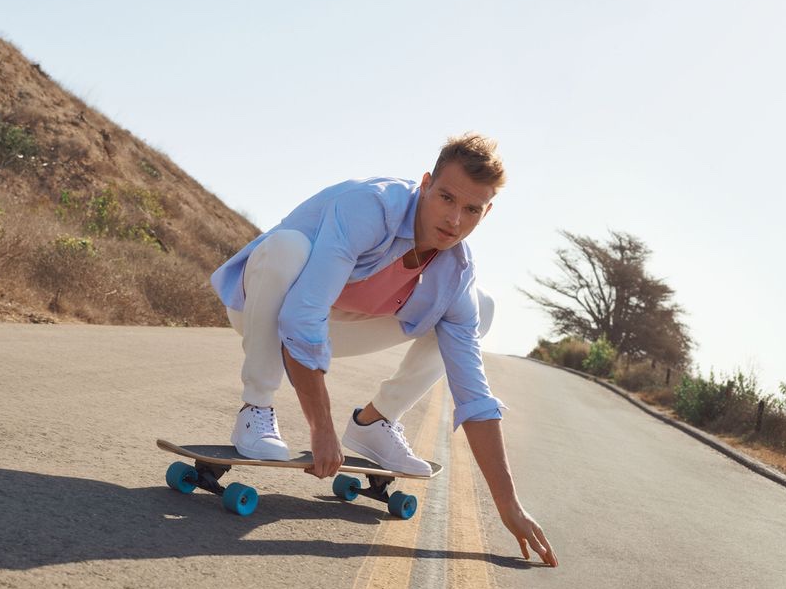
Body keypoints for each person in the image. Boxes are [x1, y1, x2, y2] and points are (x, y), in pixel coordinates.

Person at [211, 133, 558, 567]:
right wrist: (321, 428)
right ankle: (256, 410)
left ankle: (376, 423)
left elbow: (473, 394)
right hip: (263, 304)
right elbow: (302, 315)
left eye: (471, 209)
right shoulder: (369, 207)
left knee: (480, 306)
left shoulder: (455, 271)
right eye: (446, 198)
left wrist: (510, 505)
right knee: (286, 247)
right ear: (426, 184)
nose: (454, 219)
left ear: (486, 213)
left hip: (344, 326)